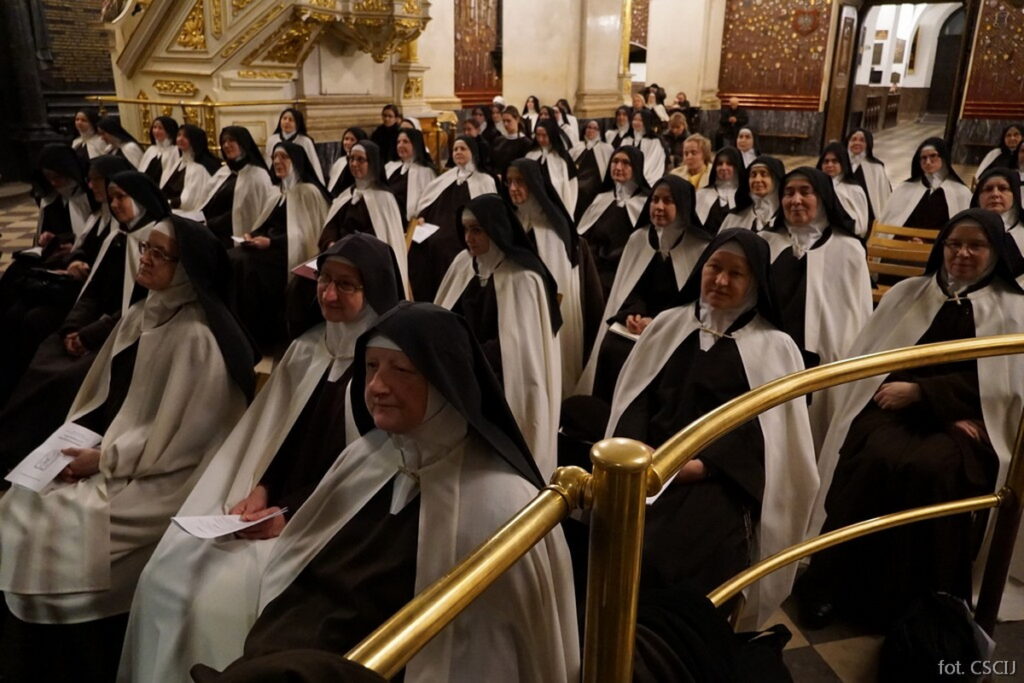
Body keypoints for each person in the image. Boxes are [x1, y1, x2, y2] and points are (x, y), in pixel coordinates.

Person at [191, 301, 580, 683]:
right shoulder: (367, 457)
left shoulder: (502, 503)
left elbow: (489, 653)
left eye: (401, 370)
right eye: (371, 366)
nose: (376, 386)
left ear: (445, 381)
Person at [119, 234, 404, 683]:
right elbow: (278, 436)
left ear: (374, 292)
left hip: (328, 522)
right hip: (272, 507)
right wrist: (261, 488)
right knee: (166, 572)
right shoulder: (308, 349)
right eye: (324, 281)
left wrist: (287, 514)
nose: (329, 295)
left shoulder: (386, 369)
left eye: (346, 285)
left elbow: (370, 471)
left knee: (217, 600)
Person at [0, 216, 254, 683]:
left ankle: (56, 659)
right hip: (123, 454)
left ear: (187, 269)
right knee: (22, 499)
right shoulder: (143, 313)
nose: (146, 259)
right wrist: (78, 440)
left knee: (51, 524)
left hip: (168, 478)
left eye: (160, 254)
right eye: (146, 248)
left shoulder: (199, 338)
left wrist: (106, 459)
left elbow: (186, 442)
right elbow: (106, 396)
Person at [798, 208, 1024, 629]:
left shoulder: (1014, 310)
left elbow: (1007, 386)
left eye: (976, 246)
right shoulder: (909, 294)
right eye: (954, 244)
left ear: (996, 252)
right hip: (895, 411)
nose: (962, 254)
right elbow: (874, 362)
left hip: (971, 423)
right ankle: (833, 584)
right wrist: (913, 395)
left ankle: (922, 603)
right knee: (872, 457)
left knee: (931, 470)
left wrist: (930, 397)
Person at [605, 229, 817, 630]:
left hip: (721, 477)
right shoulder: (668, 325)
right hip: (649, 463)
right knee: (613, 535)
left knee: (676, 548)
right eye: (714, 267)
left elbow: (769, 435)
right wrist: (637, 448)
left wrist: (702, 466)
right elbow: (635, 399)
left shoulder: (775, 347)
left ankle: (678, 643)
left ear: (755, 282)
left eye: (735, 274)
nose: (720, 280)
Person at [0, 170, 168, 473]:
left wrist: (89, 335)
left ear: (141, 200)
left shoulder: (153, 243)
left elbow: (141, 308)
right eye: (111, 197)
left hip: (124, 335)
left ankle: (33, 453)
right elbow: (91, 293)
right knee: (44, 356)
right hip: (94, 329)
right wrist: (71, 328)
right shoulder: (118, 238)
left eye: (121, 197)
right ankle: (13, 447)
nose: (113, 204)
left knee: (63, 379)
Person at [434, 194, 562, 476]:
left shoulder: (524, 278)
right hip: (460, 367)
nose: (468, 238)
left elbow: (518, 351)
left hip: (500, 380)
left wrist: (466, 356)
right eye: (465, 229)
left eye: (477, 230)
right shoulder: (462, 264)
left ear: (496, 229)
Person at [0, 155, 131, 406]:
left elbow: (118, 293)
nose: (89, 185)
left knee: (34, 319)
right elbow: (84, 246)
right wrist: (75, 259)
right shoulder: (101, 214)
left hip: (93, 303)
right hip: (81, 291)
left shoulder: (126, 233)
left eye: (95, 180)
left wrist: (82, 330)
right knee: (17, 306)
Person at [760, 167, 873, 445]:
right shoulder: (765, 243)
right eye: (788, 193)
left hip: (827, 360)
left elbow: (857, 316)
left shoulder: (849, 250)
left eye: (805, 192)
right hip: (770, 357)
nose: (795, 200)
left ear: (823, 198)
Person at [576, 175, 711, 400]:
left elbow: (696, 304)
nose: (659, 207)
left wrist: (656, 321)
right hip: (639, 326)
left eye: (668, 201)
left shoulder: (699, 248)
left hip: (676, 328)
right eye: (655, 200)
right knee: (611, 347)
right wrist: (633, 314)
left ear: (683, 206)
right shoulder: (639, 239)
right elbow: (630, 290)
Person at [507, 159, 602, 395]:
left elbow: (561, 284)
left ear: (534, 184)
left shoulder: (554, 232)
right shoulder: (511, 223)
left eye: (520, 182)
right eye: (509, 182)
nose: (513, 188)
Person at [228, 141, 329, 352]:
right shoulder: (277, 193)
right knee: (232, 257)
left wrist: (272, 242)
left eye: (283, 157)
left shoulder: (308, 192)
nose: (277, 161)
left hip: (288, 255)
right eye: (274, 157)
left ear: (296, 161)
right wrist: (251, 235)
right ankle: (238, 330)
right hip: (268, 250)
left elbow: (307, 235)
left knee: (248, 266)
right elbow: (265, 224)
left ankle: (260, 335)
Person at [408, 135, 497, 302]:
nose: (458, 152)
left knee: (445, 247)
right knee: (418, 248)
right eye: (455, 149)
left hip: (463, 234)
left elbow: (490, 213)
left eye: (463, 149)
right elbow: (428, 203)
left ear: (473, 152)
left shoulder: (484, 180)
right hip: (434, 230)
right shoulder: (445, 178)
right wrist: (421, 218)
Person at [320, 140, 409, 291]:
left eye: (360, 159)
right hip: (337, 256)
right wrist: (331, 243)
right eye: (351, 158)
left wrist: (347, 250)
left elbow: (378, 240)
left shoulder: (384, 199)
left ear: (372, 163)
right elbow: (331, 227)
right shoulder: (346, 195)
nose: (354, 164)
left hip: (366, 263)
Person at [576, 145, 651, 297]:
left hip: (627, 273)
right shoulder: (602, 199)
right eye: (615, 161)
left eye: (625, 163)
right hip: (595, 271)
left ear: (636, 167)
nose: (618, 167)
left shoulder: (645, 204)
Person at [200, 126, 276, 246]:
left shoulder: (258, 175)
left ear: (243, 143)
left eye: (231, 140)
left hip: (233, 237)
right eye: (223, 142)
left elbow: (251, 213)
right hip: (211, 230)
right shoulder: (224, 171)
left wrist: (212, 224)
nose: (226, 145)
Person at [880, 138, 972, 229]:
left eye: (933, 156)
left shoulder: (961, 192)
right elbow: (889, 225)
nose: (928, 162)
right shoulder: (904, 188)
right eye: (924, 158)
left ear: (944, 158)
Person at [971, 166, 1024, 277]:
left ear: (1015, 194)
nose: (995, 194)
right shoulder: (964, 231)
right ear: (978, 198)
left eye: (1003, 188)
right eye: (988, 189)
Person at [526, 118, 579, 217]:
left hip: (557, 208)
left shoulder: (562, 158)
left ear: (552, 135)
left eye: (544, 135)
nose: (540, 139)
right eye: (538, 135)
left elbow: (572, 186)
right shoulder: (531, 155)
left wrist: (569, 211)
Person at [817, 141, 870, 239]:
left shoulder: (854, 190)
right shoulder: (816, 186)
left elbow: (861, 226)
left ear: (843, 163)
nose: (829, 165)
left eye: (834, 161)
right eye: (826, 161)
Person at [384, 127, 436, 225]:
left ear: (416, 145)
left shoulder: (425, 172)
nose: (400, 145)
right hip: (387, 217)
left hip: (409, 222)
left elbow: (430, 201)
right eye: (398, 142)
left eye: (405, 142)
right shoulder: (390, 167)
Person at [163, 124, 221, 212]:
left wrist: (167, 203)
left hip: (186, 212)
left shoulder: (199, 168)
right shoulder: (180, 161)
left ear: (195, 140)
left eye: (185, 136)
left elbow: (188, 202)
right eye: (179, 135)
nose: (180, 139)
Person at [720, 155, 785, 231]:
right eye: (753, 175)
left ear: (776, 180)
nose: (757, 179)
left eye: (764, 174)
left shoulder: (788, 219)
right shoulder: (734, 218)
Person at [695, 147, 751, 234]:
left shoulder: (747, 197)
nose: (724, 167)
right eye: (720, 164)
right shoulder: (702, 195)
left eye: (729, 164)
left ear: (737, 167)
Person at [264, 108, 324, 185]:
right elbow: (268, 162)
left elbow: (314, 164)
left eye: (291, 120)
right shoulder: (272, 140)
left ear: (298, 123)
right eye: (284, 118)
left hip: (299, 181)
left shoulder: (305, 141)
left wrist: (319, 184)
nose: (287, 122)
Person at [571, 119, 615, 222]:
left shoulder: (607, 148)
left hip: (596, 187)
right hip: (576, 186)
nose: (591, 130)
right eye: (589, 127)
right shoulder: (576, 147)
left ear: (600, 131)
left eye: (595, 128)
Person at [845, 127, 891, 224]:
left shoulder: (876, 168)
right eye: (853, 139)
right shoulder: (840, 164)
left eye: (862, 140)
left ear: (868, 144)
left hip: (868, 217)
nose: (857, 143)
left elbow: (883, 198)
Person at [621, 109, 668, 187]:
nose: (636, 122)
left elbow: (651, 163)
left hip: (648, 177)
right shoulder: (627, 139)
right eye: (634, 119)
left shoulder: (654, 141)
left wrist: (637, 177)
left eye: (640, 120)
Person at [136, 116, 181, 187]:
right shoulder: (151, 149)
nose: (156, 131)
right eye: (154, 127)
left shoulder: (175, 151)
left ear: (169, 131)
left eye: (160, 128)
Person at [490, 105, 531, 181]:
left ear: (517, 119)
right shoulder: (498, 140)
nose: (505, 124)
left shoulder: (525, 143)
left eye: (508, 121)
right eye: (504, 121)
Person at [326, 126, 369, 198]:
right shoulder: (340, 161)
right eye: (346, 139)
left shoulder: (364, 164)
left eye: (352, 140)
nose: (348, 142)